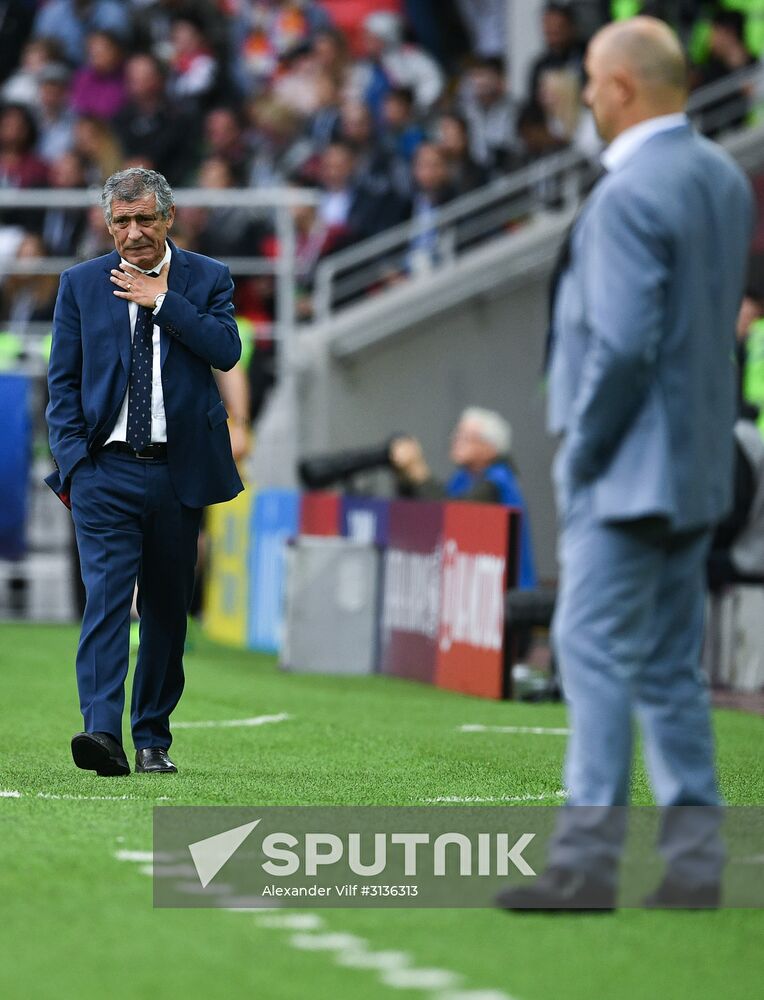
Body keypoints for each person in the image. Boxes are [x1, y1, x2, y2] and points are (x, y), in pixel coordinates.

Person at [499, 17, 753, 911]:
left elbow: (623, 346)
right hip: (696, 468)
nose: (585, 102)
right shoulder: (723, 177)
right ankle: (691, 861)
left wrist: (585, 451)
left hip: (626, 467)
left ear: (619, 89)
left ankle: (587, 860)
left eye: (592, 86)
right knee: (669, 662)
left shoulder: (628, 193)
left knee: (592, 644)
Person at [45, 167, 243, 777]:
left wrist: (164, 303)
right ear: (108, 225)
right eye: (121, 221)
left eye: (145, 220)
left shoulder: (206, 278)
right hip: (105, 471)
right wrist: (76, 466)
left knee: (164, 608)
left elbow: (226, 350)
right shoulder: (80, 284)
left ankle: (152, 736)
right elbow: (63, 385)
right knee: (106, 600)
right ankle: (101, 733)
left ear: (169, 218)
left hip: (177, 471)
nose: (133, 233)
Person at [390, 407, 538, 590]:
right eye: (457, 434)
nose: (455, 440)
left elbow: (453, 514)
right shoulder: (464, 478)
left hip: (506, 592)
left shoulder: (498, 481)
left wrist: (419, 473)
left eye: (465, 437)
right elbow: (430, 508)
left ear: (489, 447)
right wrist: (406, 478)